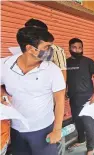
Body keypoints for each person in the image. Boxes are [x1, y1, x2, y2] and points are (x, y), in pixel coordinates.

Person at [1, 27, 66, 155]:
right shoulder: (4, 65)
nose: (51, 50)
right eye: (47, 47)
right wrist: (2, 92)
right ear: (30, 48)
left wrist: (57, 129)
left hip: (43, 130)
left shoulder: (52, 70)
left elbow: (60, 100)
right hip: (16, 129)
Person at [24, 18, 67, 155]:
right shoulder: (25, 49)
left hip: (49, 100)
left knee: (53, 133)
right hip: (29, 101)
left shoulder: (55, 50)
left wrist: (57, 101)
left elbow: (62, 77)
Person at [66, 38, 94, 155]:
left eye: (80, 47)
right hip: (73, 98)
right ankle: (81, 139)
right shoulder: (66, 62)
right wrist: (66, 91)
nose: (77, 50)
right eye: (74, 47)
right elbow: (66, 79)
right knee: (77, 121)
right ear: (69, 48)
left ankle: (90, 148)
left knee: (88, 124)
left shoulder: (88, 61)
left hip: (87, 99)